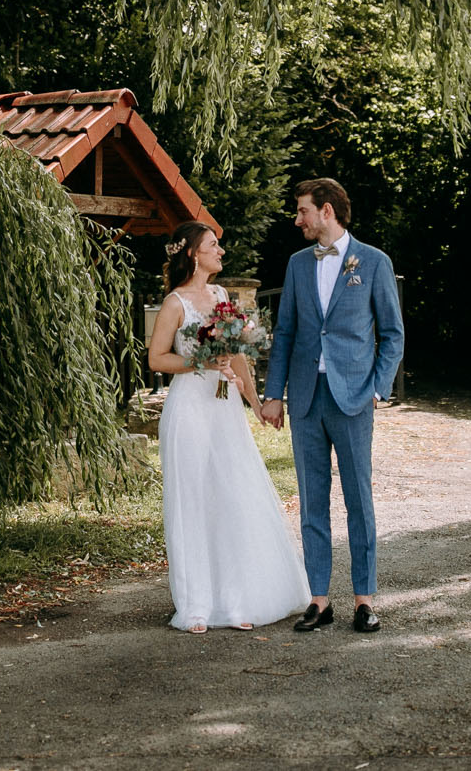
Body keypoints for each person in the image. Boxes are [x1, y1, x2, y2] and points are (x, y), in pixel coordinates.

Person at [147, 220, 311, 633]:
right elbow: (156, 359)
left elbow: (237, 358)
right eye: (213, 245)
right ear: (192, 253)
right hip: (189, 409)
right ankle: (196, 605)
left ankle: (238, 600)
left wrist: (255, 404)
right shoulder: (175, 303)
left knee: (231, 497)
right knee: (195, 502)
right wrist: (197, 362)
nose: (221, 251)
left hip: (223, 410)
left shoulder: (221, 296)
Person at [258, 178, 404, 635]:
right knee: (311, 502)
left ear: (325, 211)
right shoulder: (298, 264)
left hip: (353, 397)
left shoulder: (374, 261)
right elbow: (285, 333)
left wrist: (377, 389)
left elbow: (393, 334)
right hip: (305, 397)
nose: (297, 219)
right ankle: (319, 601)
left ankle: (364, 600)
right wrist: (272, 394)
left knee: (359, 499)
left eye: (302, 211)